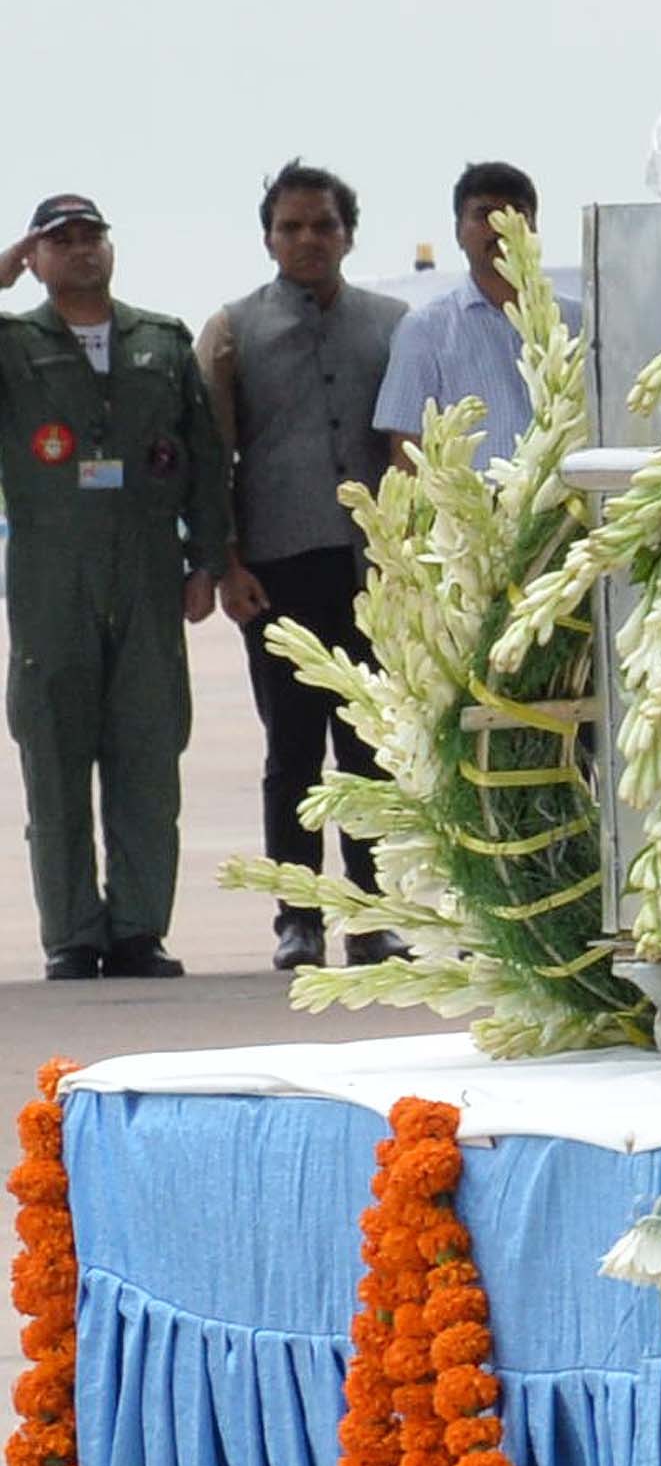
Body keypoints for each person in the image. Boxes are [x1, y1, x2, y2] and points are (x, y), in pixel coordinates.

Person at [193, 161, 402, 970]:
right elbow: (214, 459)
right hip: (277, 572)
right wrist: (226, 563)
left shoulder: (391, 324)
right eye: (291, 227)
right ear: (268, 237)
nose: (308, 239)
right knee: (292, 752)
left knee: (370, 749)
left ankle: (372, 913)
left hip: (373, 573)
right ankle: (299, 917)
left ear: (348, 233)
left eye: (323, 225)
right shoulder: (233, 330)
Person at [0, 192, 212, 979]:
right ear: (36, 256)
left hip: (148, 566)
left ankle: (137, 930)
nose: (81, 250)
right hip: (51, 571)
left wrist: (208, 561)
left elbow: (202, 453)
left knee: (148, 753)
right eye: (61, 240)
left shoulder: (159, 341)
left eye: (92, 237)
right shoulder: (14, 344)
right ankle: (71, 934)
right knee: (54, 753)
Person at [373, 160, 552, 470]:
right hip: (472, 514)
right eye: (484, 215)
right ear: (458, 232)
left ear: (534, 229)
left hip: (574, 513)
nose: (500, 227)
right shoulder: (424, 331)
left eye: (516, 214)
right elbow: (407, 454)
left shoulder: (577, 323)